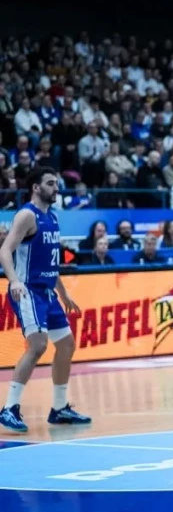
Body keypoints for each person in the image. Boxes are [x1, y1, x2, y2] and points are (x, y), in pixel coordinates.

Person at [0, 167, 90, 433]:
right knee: (38, 345)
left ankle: (59, 408)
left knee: (66, 345)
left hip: (48, 292)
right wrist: (14, 280)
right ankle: (9, 408)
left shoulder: (52, 216)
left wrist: (63, 292)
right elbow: (4, 250)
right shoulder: (27, 215)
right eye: (50, 183)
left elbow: (51, 262)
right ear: (36, 187)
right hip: (28, 289)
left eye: (57, 183)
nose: (56, 187)